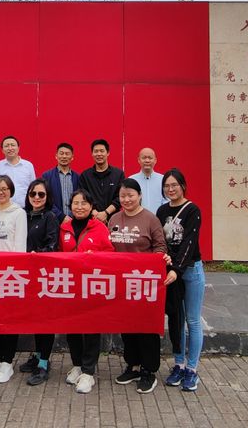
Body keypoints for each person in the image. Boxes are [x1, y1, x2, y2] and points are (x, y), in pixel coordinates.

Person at [108, 178, 167, 394]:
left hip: (145, 284)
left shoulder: (150, 219)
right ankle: (132, 366)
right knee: (128, 326)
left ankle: (148, 371)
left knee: (146, 328)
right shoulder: (114, 218)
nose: (126, 200)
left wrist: (156, 262)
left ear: (139, 196)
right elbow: (108, 246)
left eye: (130, 195)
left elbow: (160, 246)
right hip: (122, 283)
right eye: (122, 196)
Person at [59, 189, 114, 394]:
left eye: (84, 203)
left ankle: (89, 372)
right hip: (70, 285)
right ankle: (77, 365)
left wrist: (96, 257)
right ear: (70, 206)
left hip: (92, 285)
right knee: (72, 326)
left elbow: (110, 254)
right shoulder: (64, 228)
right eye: (75, 203)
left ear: (91, 207)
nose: (79, 207)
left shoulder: (100, 228)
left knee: (91, 328)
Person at [156, 168, 204, 392]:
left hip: (190, 271)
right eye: (167, 186)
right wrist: (164, 258)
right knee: (176, 318)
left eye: (174, 185)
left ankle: (192, 369)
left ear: (183, 186)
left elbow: (189, 244)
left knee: (192, 321)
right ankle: (179, 364)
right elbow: (160, 241)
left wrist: (176, 268)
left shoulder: (193, 210)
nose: (171, 189)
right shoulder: (162, 210)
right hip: (170, 272)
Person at [0, 175, 28, 384]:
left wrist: (16, 270)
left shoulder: (19, 213)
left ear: (11, 191)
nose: (1, 193)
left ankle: (7, 361)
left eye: (5, 189)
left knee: (9, 319)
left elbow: (20, 245)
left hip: (11, 274)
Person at [18, 178, 59, 386]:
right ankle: (36, 354)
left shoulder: (50, 217)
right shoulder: (22, 215)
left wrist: (37, 255)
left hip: (42, 275)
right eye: (33, 194)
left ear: (47, 197)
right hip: (23, 275)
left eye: (41, 194)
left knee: (45, 319)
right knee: (33, 318)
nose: (36, 197)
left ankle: (43, 362)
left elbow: (52, 244)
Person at [79, 139, 124, 223]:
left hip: (114, 220)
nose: (99, 154)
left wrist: (106, 213)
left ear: (108, 153)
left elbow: (120, 197)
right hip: (92, 220)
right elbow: (83, 197)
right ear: (92, 154)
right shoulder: (85, 176)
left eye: (102, 151)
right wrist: (95, 213)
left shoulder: (118, 174)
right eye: (96, 151)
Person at [0, 136, 36, 206]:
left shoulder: (28, 165)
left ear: (18, 148)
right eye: (7, 146)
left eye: (13, 145)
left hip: (24, 207)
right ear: (2, 150)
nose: (10, 148)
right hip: (2, 207)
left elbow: (33, 187)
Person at [40, 142, 79, 223]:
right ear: (56, 156)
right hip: (53, 220)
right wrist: (61, 216)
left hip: (74, 220)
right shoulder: (47, 176)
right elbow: (45, 199)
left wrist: (73, 216)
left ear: (72, 157)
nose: (64, 156)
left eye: (67, 154)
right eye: (61, 153)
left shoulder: (77, 177)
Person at [128, 148, 167, 214]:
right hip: (137, 218)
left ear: (155, 160)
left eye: (150, 158)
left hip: (159, 218)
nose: (147, 160)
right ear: (139, 160)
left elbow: (167, 201)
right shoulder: (131, 180)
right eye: (144, 158)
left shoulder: (163, 179)